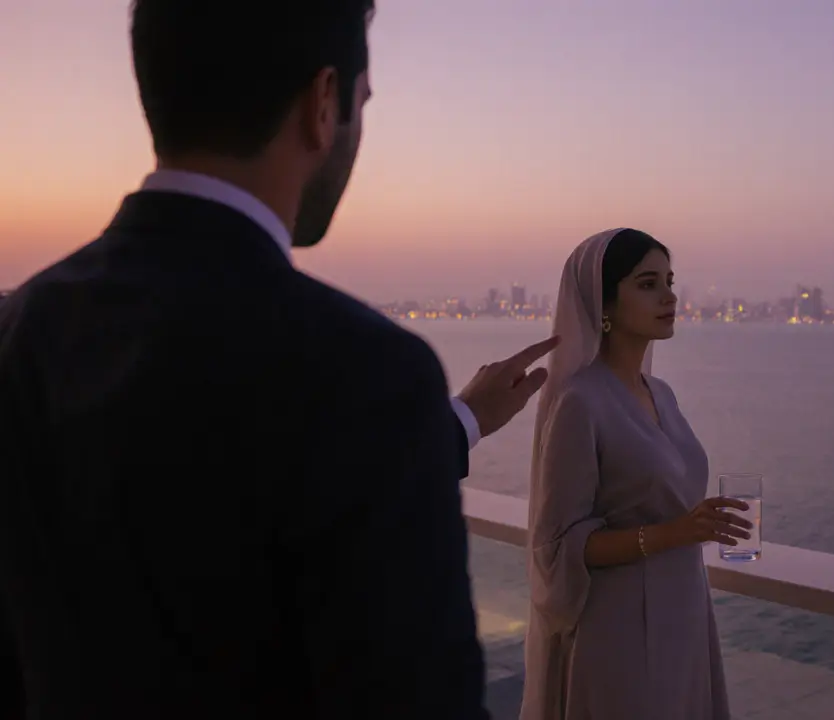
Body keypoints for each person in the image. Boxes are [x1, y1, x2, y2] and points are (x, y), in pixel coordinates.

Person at [0, 1, 556, 717]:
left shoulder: (23, 330)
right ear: (323, 103)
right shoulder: (367, 375)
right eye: (361, 103)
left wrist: (454, 424)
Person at [521, 229, 753, 720]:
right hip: (621, 627)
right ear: (603, 303)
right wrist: (675, 532)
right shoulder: (580, 402)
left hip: (685, 611)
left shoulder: (661, 392)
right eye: (647, 283)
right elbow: (560, 545)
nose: (669, 296)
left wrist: (695, 525)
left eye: (669, 281)